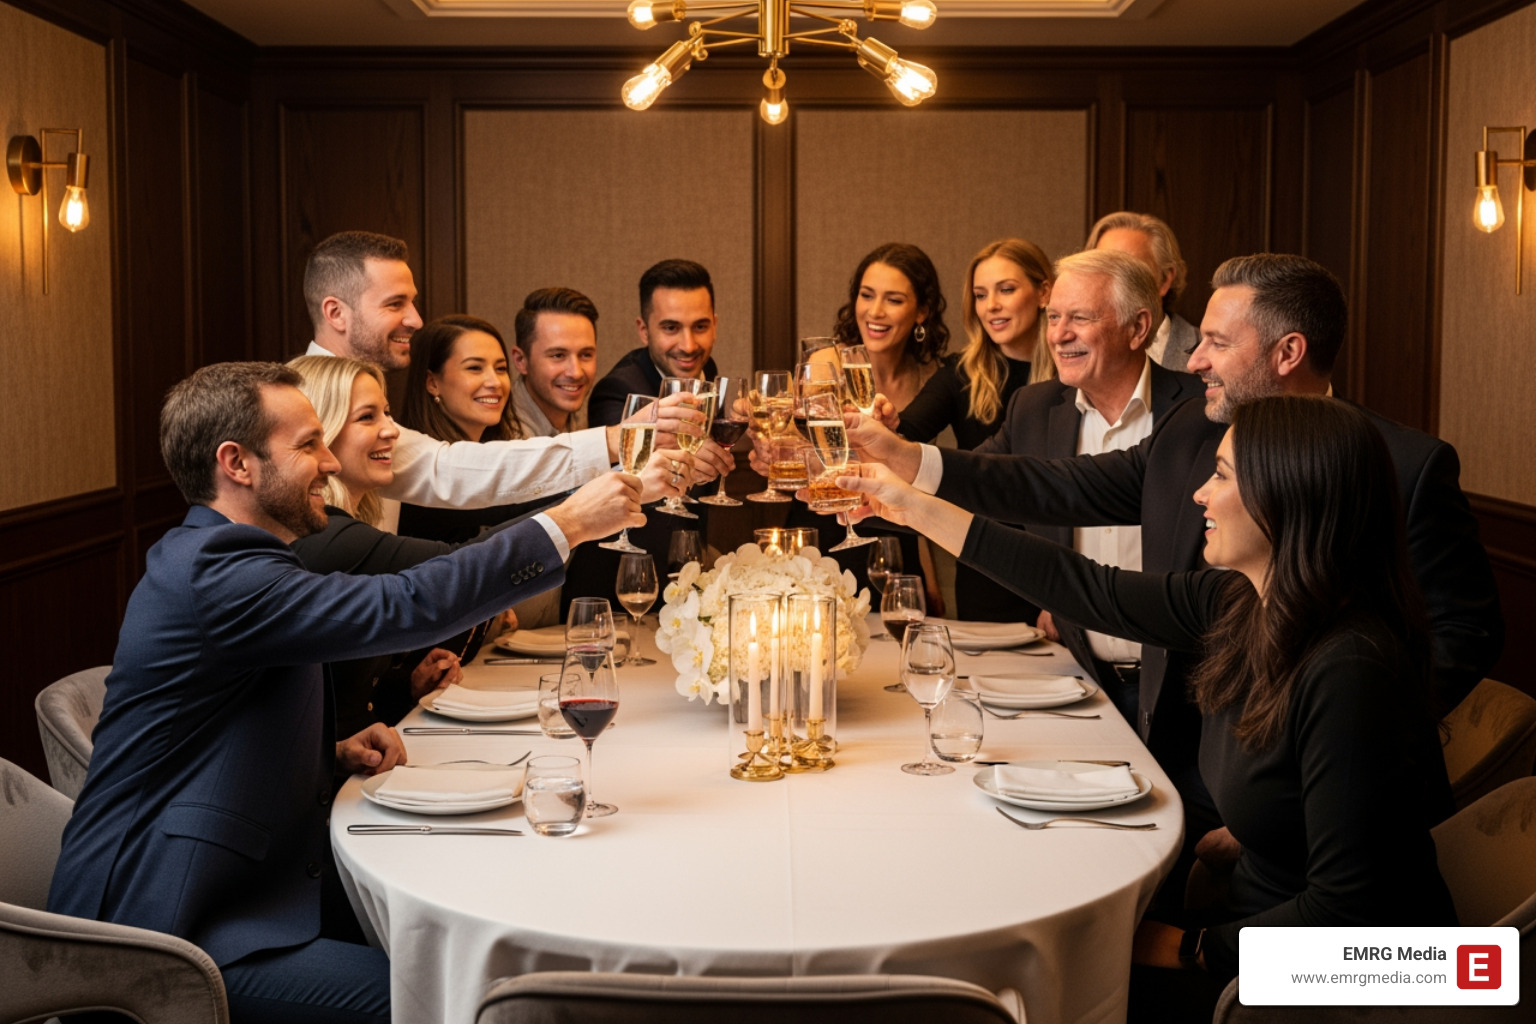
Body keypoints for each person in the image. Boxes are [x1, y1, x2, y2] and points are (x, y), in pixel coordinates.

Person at [847, 252, 1503, 904]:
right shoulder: (1210, 501)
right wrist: (909, 476)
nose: (1192, 360)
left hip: (1332, 885)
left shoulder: (1400, 483)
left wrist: (1314, 771)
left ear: (1288, 351)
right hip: (1228, 789)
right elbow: (1079, 549)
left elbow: (1459, 637)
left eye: (1216, 341)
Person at [47, 361, 645, 1024]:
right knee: (463, 1000)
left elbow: (200, 730)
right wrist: (565, 523)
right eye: (307, 445)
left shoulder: (234, 558)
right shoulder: (216, 569)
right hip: (174, 928)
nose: (330, 461)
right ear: (236, 463)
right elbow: (408, 604)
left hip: (239, 891)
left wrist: (328, 754)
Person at [843, 395, 1457, 1020]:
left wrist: (1189, 948)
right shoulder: (1243, 604)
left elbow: (1351, 916)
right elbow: (1086, 588)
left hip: (1329, 990)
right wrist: (912, 508)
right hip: (1245, 927)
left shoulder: (1350, 668)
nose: (1198, 496)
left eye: (1220, 475)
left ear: (1287, 494)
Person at [287, 354, 688, 735]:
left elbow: (347, 694)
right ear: (322, 433)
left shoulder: (344, 528)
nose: (392, 430)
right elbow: (459, 566)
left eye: (387, 413)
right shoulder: (328, 540)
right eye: (367, 417)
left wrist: (405, 684)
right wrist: (579, 515)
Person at [936, 249, 1205, 720]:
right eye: (1054, 316)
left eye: (1079, 318)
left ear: (1138, 328)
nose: (1058, 335)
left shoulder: (1196, 413)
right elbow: (975, 483)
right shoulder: (1034, 409)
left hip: (1188, 695)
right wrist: (877, 467)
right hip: (1079, 686)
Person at [301, 231, 699, 513]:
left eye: (413, 302)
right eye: (395, 304)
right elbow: (453, 471)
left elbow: (454, 467)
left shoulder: (366, 393)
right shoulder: (301, 405)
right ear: (335, 313)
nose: (416, 319)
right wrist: (617, 439)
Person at [894, 238, 1051, 451]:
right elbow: (907, 431)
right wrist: (885, 424)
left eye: (1006, 290)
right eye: (981, 295)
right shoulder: (962, 372)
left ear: (1043, 293)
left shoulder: (1073, 370)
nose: (991, 306)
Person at [1086, 211, 1199, 373]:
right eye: (1103, 268)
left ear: (1165, 279)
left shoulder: (1207, 353)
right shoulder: (1070, 348)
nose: (1112, 281)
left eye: (1129, 269)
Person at [509, 286, 600, 437]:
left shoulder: (591, 415)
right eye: (558, 355)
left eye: (585, 355)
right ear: (521, 360)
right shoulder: (500, 434)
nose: (576, 373)